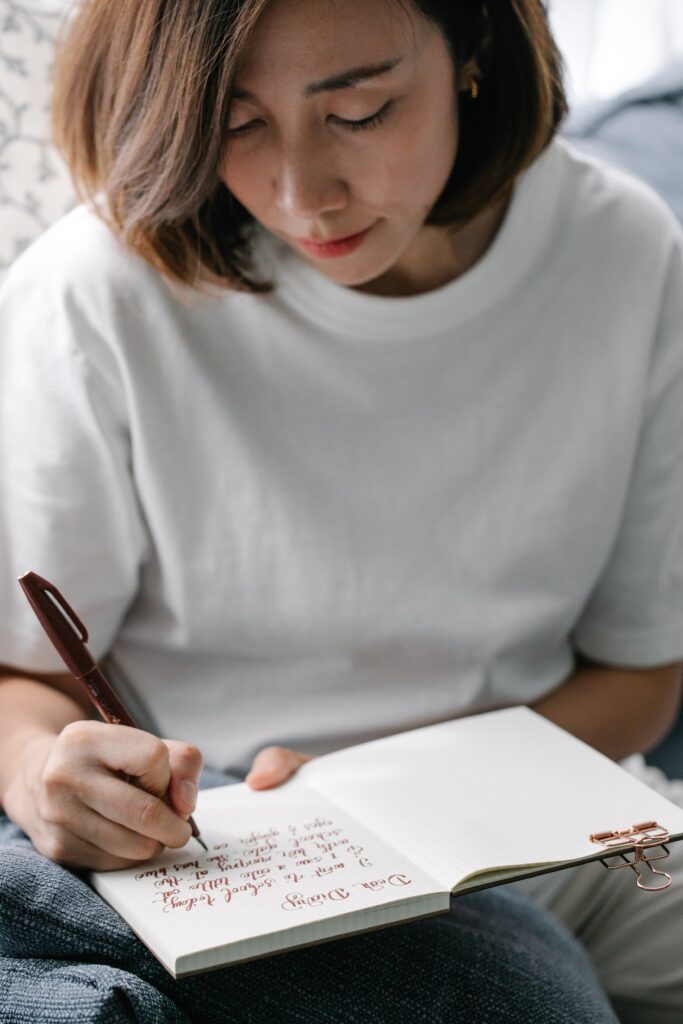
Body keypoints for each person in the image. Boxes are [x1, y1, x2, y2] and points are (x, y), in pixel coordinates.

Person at [0, 0, 681, 1021]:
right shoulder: (100, 294)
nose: (300, 194)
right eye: (236, 123)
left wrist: (404, 784)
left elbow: (639, 673)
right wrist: (44, 772)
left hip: (554, 821)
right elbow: (25, 680)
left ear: (473, 53)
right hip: (238, 856)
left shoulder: (620, 252)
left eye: (358, 111)